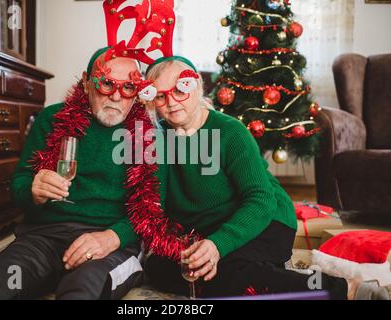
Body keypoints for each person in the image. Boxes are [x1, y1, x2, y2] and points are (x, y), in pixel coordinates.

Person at [142, 56, 389, 300]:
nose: (171, 102)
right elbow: (156, 205)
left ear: (197, 87)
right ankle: (267, 274)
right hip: (208, 229)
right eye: (161, 96)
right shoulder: (154, 140)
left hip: (265, 218)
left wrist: (218, 245)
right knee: (160, 269)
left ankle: (344, 287)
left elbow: (260, 200)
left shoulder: (230, 132)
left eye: (180, 90)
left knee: (228, 272)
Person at [0, 48, 166, 300]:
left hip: (109, 243)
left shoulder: (149, 136)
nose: (117, 97)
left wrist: (113, 237)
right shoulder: (52, 118)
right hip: (44, 236)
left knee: (83, 290)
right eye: (106, 83)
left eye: (128, 87)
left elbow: (155, 208)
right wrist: (33, 189)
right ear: (87, 82)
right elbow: (19, 184)